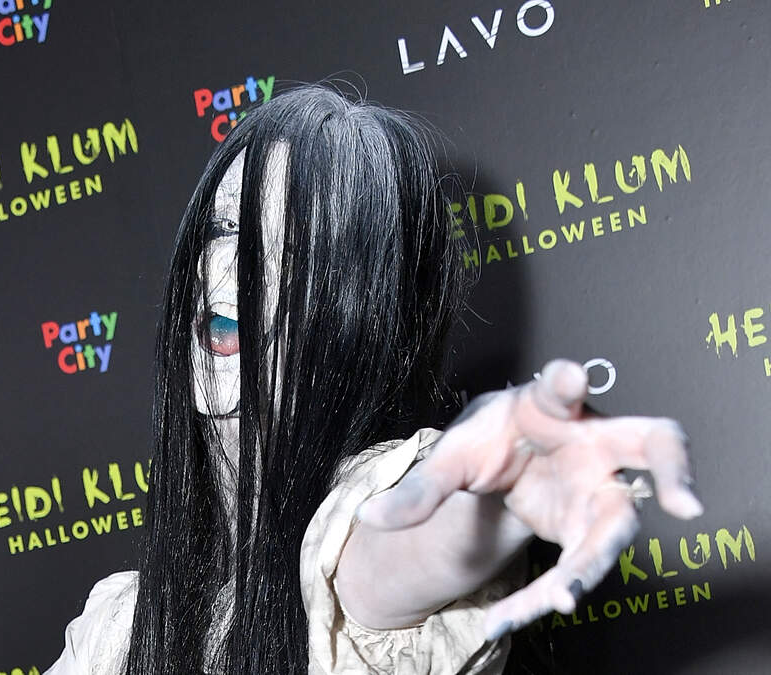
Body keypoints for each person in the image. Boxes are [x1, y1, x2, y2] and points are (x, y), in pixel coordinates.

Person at [47, 85, 701, 674]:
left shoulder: (368, 516)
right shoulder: (122, 625)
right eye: (224, 228)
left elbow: (389, 552)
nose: (232, 267)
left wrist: (505, 493)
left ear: (360, 316)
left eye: (293, 250)